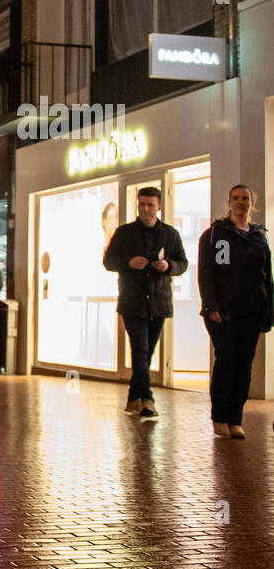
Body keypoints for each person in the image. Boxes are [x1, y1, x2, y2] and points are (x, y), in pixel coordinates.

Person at [101, 186, 188, 419]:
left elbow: (182, 262)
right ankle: (147, 398)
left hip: (159, 301)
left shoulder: (170, 234)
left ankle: (133, 397)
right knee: (139, 349)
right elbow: (108, 261)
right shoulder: (124, 232)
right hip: (132, 300)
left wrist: (168, 266)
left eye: (150, 205)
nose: (146, 209)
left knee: (147, 351)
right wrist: (129, 262)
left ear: (159, 206)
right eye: (142, 204)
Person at [197, 184, 273, 438]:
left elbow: (267, 277)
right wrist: (211, 307)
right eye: (236, 198)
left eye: (245, 199)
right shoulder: (217, 236)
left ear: (253, 203)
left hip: (252, 311)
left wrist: (268, 310)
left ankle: (235, 419)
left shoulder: (259, 237)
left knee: (244, 366)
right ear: (229, 202)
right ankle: (220, 417)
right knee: (227, 361)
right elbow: (208, 274)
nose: (241, 203)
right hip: (224, 313)